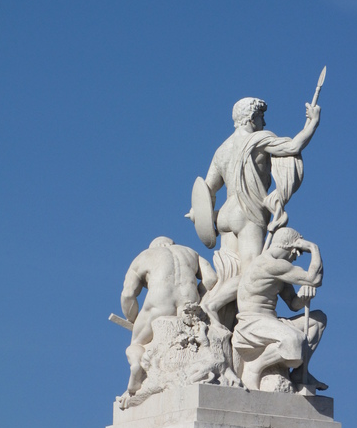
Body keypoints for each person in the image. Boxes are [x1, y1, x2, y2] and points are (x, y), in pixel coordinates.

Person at [203, 97, 321, 271]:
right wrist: (313, 122)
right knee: (251, 272)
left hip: (224, 215)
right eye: (261, 116)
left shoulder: (222, 149)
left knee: (230, 274)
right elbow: (293, 147)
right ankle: (214, 301)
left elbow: (207, 190)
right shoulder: (258, 139)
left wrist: (199, 215)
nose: (264, 122)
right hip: (247, 211)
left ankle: (214, 299)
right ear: (252, 117)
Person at [120, 236, 217, 399]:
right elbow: (211, 279)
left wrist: (133, 318)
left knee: (137, 343)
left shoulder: (145, 255)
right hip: (189, 303)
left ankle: (137, 365)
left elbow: (128, 294)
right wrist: (198, 297)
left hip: (159, 302)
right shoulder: (191, 252)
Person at [232, 227, 327, 391]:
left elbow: (293, 304)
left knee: (318, 320)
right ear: (295, 249)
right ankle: (254, 367)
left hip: (270, 321)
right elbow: (314, 278)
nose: (295, 259)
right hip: (252, 323)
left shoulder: (279, 269)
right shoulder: (271, 264)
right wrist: (314, 248)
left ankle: (300, 372)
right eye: (297, 254)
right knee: (294, 340)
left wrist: (305, 295)